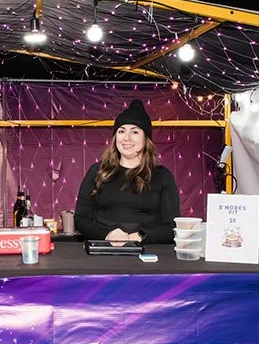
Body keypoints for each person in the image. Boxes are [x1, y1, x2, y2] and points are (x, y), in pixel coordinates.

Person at [74, 99, 180, 245]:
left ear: (146, 139)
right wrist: (107, 234)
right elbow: (80, 219)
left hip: (147, 255)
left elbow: (172, 227)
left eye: (135, 132)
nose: (127, 138)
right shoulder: (97, 171)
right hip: (104, 254)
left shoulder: (162, 176)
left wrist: (142, 236)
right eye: (121, 131)